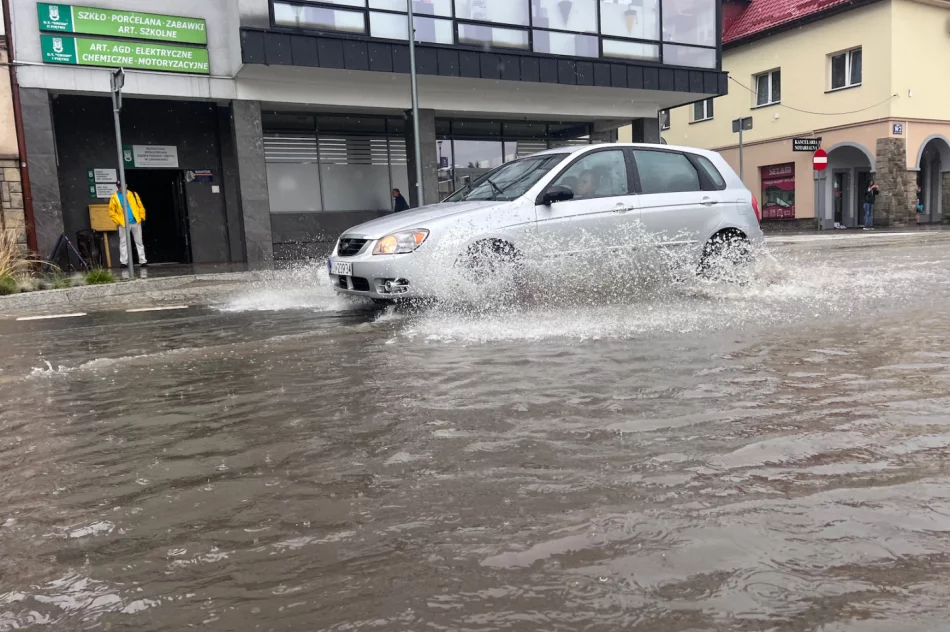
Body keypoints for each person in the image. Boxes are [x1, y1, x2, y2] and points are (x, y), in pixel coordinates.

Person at [108, 182, 148, 267]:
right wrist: (119, 221)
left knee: (139, 241)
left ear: (126, 185)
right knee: (123, 242)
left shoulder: (133, 194)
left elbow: (140, 206)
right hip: (123, 223)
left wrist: (142, 217)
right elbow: (112, 212)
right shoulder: (114, 197)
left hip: (135, 221)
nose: (120, 188)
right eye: (119, 186)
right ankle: (123, 262)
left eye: (122, 186)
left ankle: (143, 261)